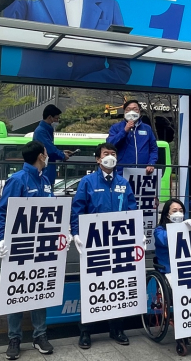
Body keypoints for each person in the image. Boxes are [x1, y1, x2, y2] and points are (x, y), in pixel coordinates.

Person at [70, 143, 136, 349]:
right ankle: (86, 332)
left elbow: (132, 209)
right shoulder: (87, 182)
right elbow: (77, 209)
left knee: (117, 284)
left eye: (113, 154)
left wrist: (137, 235)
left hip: (119, 242)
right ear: (98, 160)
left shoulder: (123, 183)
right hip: (94, 242)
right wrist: (76, 233)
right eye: (106, 154)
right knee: (92, 285)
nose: (111, 157)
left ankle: (117, 329)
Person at [0, 141, 56, 358]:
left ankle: (40, 336)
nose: (48, 156)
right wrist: (2, 239)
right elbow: (3, 211)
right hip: (20, 245)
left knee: (39, 288)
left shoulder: (45, 180)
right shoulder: (18, 180)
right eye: (47, 153)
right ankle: (14, 338)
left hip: (42, 245)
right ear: (41, 156)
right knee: (17, 290)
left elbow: (52, 209)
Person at [153, 198, 191, 344]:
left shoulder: (190, 227)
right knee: (185, 289)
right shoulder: (159, 230)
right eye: (174, 211)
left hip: (189, 267)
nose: (178, 213)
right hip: (169, 270)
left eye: (181, 211)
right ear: (167, 214)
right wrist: (183, 228)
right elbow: (165, 240)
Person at [107, 100, 158, 176]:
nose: (132, 112)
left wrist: (151, 163)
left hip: (143, 172)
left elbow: (153, 149)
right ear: (124, 112)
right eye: (128, 109)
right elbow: (109, 145)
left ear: (139, 112)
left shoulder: (147, 128)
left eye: (135, 109)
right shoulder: (116, 127)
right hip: (122, 172)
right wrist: (124, 131)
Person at [32, 104, 73, 186]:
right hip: (45, 170)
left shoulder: (43, 130)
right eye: (56, 118)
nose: (57, 121)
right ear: (50, 117)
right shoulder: (41, 131)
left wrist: (62, 152)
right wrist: (62, 155)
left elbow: (49, 148)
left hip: (46, 169)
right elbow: (49, 149)